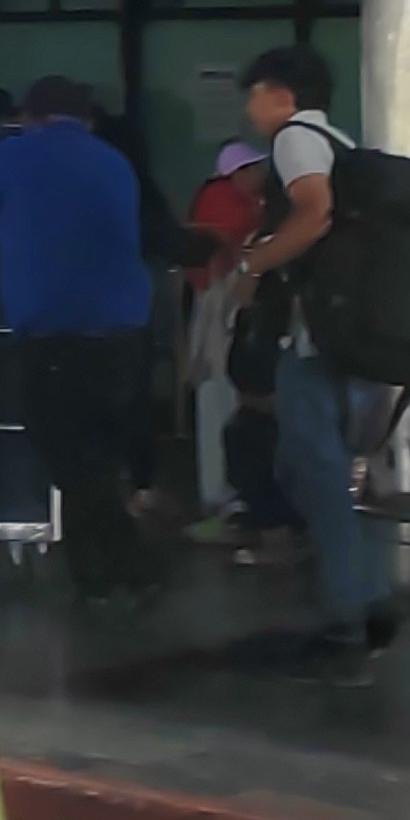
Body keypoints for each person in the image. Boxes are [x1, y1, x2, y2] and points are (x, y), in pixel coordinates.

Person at [0, 77, 158, 599]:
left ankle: (116, 573)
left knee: (68, 454)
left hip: (56, 332)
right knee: (98, 453)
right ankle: (110, 571)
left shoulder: (18, 153)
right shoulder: (113, 160)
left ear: (31, 116)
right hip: (125, 333)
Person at [224, 43, 383, 681]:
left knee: (317, 474)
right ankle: (356, 600)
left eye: (255, 93)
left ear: (282, 96)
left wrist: (253, 263)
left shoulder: (296, 140)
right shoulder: (340, 141)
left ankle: (347, 627)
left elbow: (314, 212)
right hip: (344, 333)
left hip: (315, 340)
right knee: (303, 466)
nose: (250, 107)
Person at [180, 142, 279, 539]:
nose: (261, 175)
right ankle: (224, 500)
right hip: (222, 312)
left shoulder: (250, 201)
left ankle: (231, 499)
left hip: (230, 313)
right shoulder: (220, 202)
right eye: (254, 168)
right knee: (220, 400)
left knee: (228, 404)